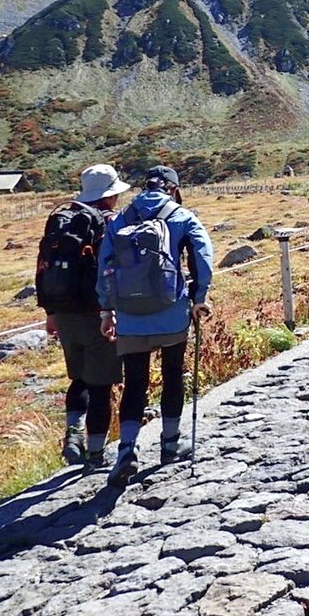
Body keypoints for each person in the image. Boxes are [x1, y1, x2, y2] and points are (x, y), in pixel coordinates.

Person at [98, 165, 214, 487]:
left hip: (131, 317)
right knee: (173, 374)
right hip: (171, 312)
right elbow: (203, 256)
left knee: (135, 382)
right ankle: (170, 444)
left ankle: (127, 450)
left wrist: (107, 310)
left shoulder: (120, 219)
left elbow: (104, 266)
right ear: (173, 189)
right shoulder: (181, 216)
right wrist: (200, 297)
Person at [36, 164, 129, 468]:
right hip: (97, 314)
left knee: (79, 378)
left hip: (63, 312)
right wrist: (110, 312)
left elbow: (43, 266)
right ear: (110, 196)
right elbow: (112, 272)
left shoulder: (62, 220)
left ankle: (73, 432)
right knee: (101, 384)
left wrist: (51, 313)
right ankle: (96, 454)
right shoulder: (108, 222)